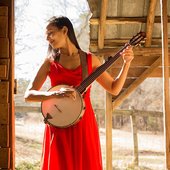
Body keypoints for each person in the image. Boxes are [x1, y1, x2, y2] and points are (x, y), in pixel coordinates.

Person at [24, 16, 134, 170]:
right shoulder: (49, 62)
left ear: (64, 30)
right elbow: (28, 95)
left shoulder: (90, 60)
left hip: (84, 125)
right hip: (58, 124)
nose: (47, 38)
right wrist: (54, 95)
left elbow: (114, 88)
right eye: (46, 35)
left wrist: (126, 64)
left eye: (50, 33)